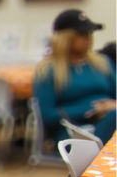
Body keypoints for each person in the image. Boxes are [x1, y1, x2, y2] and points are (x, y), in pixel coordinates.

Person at [33, 9, 117, 146]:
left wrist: (111, 106)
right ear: (65, 38)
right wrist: (92, 110)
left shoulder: (103, 63)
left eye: (90, 33)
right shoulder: (48, 70)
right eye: (82, 34)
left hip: (109, 121)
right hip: (73, 131)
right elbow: (47, 115)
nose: (88, 38)